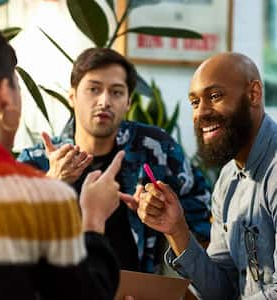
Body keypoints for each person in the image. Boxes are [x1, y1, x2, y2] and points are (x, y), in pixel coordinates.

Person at [18, 47, 212, 273]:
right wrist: (51, 183)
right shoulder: (38, 160)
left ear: (129, 102)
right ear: (72, 97)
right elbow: (4, 239)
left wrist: (164, 213)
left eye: (116, 92)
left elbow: (204, 211)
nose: (104, 101)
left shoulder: (156, 148)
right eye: (93, 89)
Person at [0, 20, 124, 300]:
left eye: (116, 91)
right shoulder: (47, 196)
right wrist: (93, 218)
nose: (104, 101)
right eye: (18, 88)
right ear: (5, 96)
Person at [136, 52, 277, 299]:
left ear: (253, 94)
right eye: (194, 102)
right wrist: (177, 229)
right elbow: (221, 291)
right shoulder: (227, 179)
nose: (201, 113)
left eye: (214, 96)